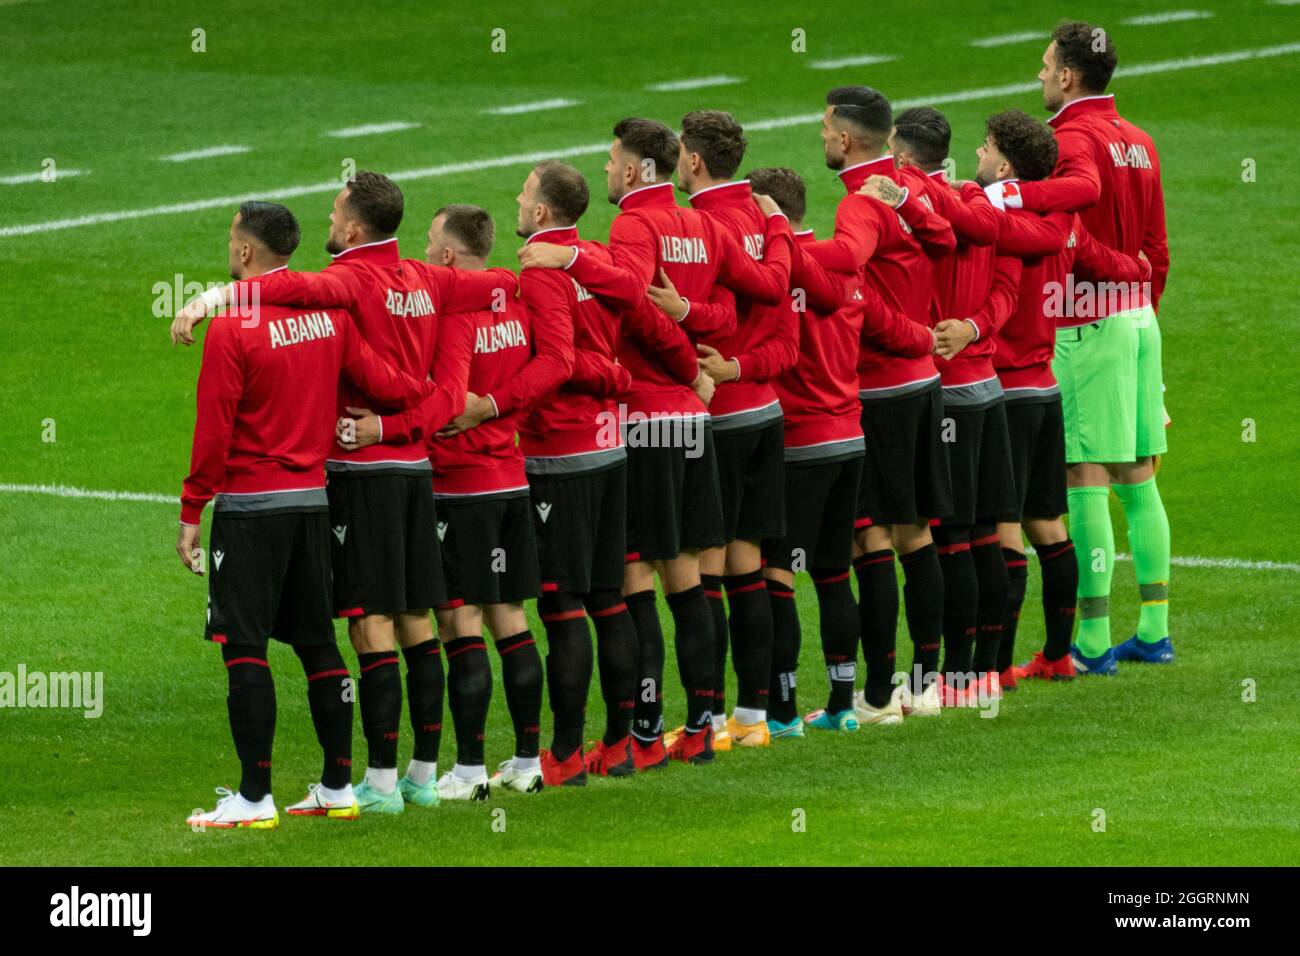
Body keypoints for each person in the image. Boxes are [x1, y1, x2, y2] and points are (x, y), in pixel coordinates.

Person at [179, 202, 434, 827]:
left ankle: (253, 797)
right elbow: (386, 380)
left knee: (244, 648)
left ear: (245, 254)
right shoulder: (330, 318)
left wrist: (192, 508)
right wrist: (431, 394)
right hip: (314, 505)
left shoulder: (233, 327)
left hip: (250, 509)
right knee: (319, 645)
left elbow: (213, 433)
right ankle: (339, 786)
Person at [991, 21, 1173, 672]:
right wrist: (1141, 326)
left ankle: (1092, 641)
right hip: (1137, 324)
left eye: (1044, 67)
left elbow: (1067, 240)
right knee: (1139, 474)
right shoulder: (1139, 141)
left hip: (1085, 325)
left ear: (1068, 76)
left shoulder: (1070, 141)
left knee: (1083, 476)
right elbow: (1158, 254)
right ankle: (1154, 627)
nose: (1039, 76)